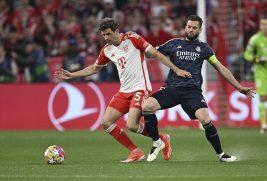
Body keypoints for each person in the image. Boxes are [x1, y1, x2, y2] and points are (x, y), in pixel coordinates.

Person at [54, 18, 191, 163]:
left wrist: (176, 69)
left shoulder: (133, 39)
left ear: (117, 31)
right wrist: (72, 75)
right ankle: (136, 151)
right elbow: (94, 68)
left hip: (140, 88)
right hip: (124, 91)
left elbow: (155, 54)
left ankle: (161, 138)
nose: (106, 38)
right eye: (103, 35)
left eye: (108, 34)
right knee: (106, 122)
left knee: (131, 125)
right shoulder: (107, 50)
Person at [141, 15, 255, 162]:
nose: (191, 29)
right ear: (185, 27)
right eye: (189, 26)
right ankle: (157, 142)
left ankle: (221, 155)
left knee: (206, 119)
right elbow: (152, 53)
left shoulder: (204, 48)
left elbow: (221, 68)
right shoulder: (173, 43)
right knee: (146, 107)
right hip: (172, 88)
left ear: (200, 30)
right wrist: (140, 48)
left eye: (194, 28)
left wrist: (239, 88)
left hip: (192, 92)